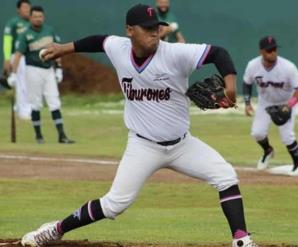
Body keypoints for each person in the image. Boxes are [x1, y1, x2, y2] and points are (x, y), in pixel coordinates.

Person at [20, 4, 258, 247]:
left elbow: (219, 53)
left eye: (157, 28)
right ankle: (54, 230)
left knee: (226, 176)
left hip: (183, 145)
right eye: (147, 29)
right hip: (143, 146)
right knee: (114, 204)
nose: (154, 33)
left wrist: (230, 85)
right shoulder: (118, 48)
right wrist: (64, 49)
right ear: (130, 31)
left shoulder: (176, 53)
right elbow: (98, 41)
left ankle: (241, 240)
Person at [10, 6, 74, 144]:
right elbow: (18, 54)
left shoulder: (49, 30)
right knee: (36, 104)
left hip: (48, 70)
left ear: (43, 17)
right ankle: (39, 136)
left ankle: (61, 135)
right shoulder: (25, 34)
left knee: (54, 101)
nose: (38, 19)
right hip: (32, 70)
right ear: (31, 17)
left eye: (40, 16)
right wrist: (13, 74)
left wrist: (58, 68)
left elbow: (56, 50)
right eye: (35, 16)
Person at [243, 36, 298, 176]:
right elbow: (246, 83)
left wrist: (289, 106)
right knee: (257, 133)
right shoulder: (253, 65)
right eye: (269, 50)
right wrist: (247, 103)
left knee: (287, 136)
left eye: (275, 49)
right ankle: (268, 151)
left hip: (286, 103)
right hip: (266, 102)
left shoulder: (288, 67)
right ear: (262, 52)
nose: (273, 52)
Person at [2, 0, 32, 119]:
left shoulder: (32, 22)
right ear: (18, 9)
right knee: (21, 84)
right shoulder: (13, 23)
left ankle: (22, 107)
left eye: (28, 7)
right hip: (18, 57)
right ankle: (24, 112)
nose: (27, 10)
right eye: (24, 7)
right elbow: (7, 42)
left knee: (29, 84)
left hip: (31, 57)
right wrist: (7, 59)